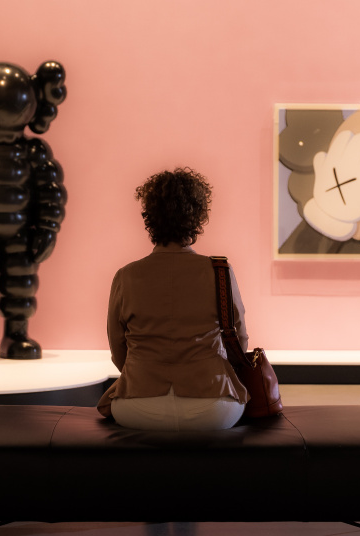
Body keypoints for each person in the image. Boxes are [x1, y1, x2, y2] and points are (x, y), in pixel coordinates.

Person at [96, 168, 249, 430]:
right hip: (211, 406)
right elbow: (240, 342)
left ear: (150, 218)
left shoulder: (126, 275)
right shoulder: (219, 271)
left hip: (138, 405)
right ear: (197, 216)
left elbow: (118, 351)